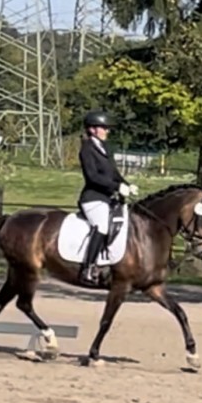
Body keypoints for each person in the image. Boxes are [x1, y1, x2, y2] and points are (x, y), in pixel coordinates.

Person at [77, 110, 138, 285]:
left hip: (107, 197)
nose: (107, 131)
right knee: (102, 226)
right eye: (104, 128)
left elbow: (113, 173)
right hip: (93, 198)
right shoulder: (86, 149)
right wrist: (116, 187)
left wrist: (127, 184)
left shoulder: (104, 148)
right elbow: (93, 177)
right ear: (93, 129)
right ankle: (88, 268)